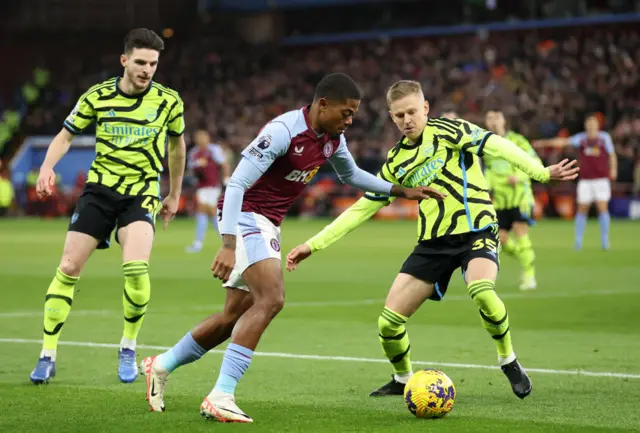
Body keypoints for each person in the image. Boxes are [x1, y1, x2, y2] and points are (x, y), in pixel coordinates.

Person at [141, 73, 442, 423]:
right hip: (246, 216)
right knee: (271, 299)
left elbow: (352, 175)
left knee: (231, 318)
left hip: (267, 221)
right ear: (322, 105)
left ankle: (160, 365)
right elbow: (236, 183)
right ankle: (221, 395)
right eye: (346, 113)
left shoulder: (331, 138)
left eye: (353, 114)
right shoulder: (283, 131)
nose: (350, 120)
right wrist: (227, 244)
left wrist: (400, 191)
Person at [286, 80, 578, 400]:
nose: (407, 119)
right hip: (433, 244)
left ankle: (508, 360)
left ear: (425, 108)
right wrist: (313, 244)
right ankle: (402, 378)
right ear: (391, 117)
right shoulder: (396, 161)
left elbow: (496, 145)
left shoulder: (450, 131)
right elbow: (361, 209)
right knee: (388, 324)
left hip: (475, 231)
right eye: (399, 115)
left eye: (412, 111)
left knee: (481, 291)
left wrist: (539, 172)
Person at [29, 28, 186, 385]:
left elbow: (177, 148)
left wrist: (174, 193)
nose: (148, 70)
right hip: (99, 192)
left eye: (154, 64)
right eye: (141, 62)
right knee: (68, 267)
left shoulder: (168, 101)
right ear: (125, 60)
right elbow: (66, 134)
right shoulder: (97, 97)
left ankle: (128, 347)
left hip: (141, 193)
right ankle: (47, 354)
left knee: (135, 266)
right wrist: (47, 167)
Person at [534, 114, 617, 250]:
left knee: (602, 208)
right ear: (586, 125)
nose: (590, 125)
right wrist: (543, 143)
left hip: (601, 179)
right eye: (588, 123)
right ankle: (578, 241)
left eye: (593, 123)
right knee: (582, 209)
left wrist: (613, 169)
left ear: (597, 125)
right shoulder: (581, 138)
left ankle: (605, 240)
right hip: (586, 180)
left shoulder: (604, 138)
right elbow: (562, 142)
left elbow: (612, 155)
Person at [484, 108, 542, 290]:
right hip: (500, 201)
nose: (493, 121)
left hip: (520, 197)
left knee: (520, 230)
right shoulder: (485, 146)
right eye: (490, 117)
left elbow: (535, 162)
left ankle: (529, 276)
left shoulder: (517, 141)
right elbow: (489, 171)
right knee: (500, 240)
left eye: (497, 116)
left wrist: (519, 176)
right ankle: (526, 258)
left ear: (504, 120)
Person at [185, 129, 230, 253]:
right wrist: (197, 165)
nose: (201, 140)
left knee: (205, 212)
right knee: (209, 214)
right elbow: (190, 167)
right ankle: (227, 241)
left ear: (207, 138)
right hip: (201, 186)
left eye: (203, 137)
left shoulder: (214, 150)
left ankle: (199, 244)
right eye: (199, 138)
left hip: (212, 186)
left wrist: (226, 179)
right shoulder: (194, 152)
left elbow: (224, 164)